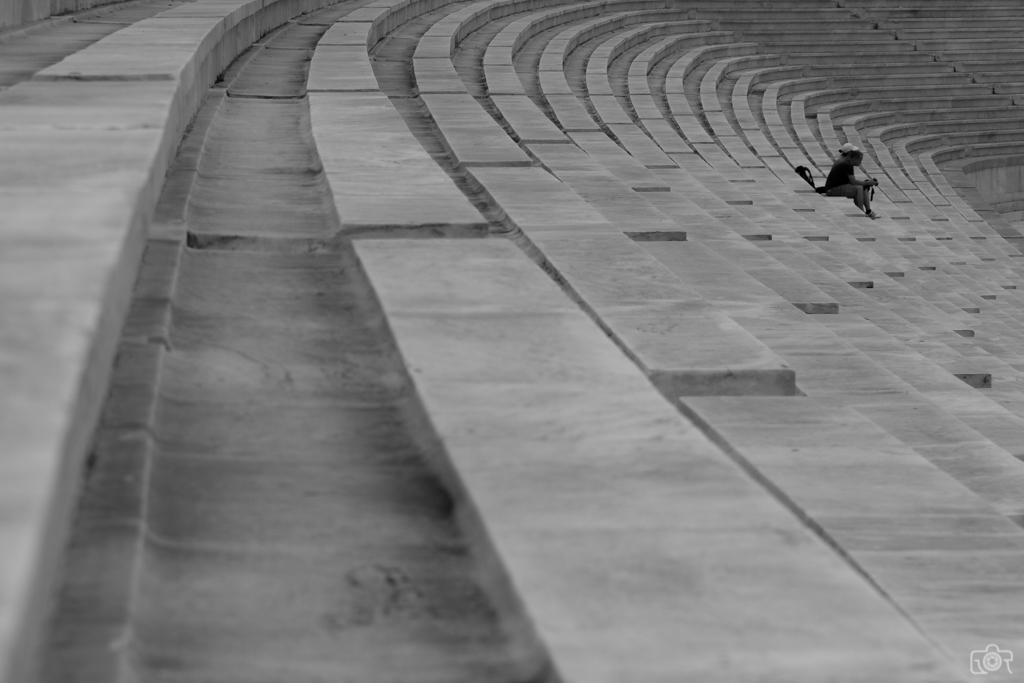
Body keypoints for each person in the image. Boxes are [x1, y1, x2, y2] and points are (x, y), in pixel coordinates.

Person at [824, 146, 880, 219]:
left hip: (838, 186)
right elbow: (853, 182)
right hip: (831, 190)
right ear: (854, 159)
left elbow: (852, 181)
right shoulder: (847, 165)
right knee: (859, 188)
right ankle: (861, 213)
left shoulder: (847, 163)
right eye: (860, 160)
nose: (861, 163)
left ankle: (868, 211)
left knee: (863, 186)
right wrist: (869, 183)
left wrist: (867, 183)